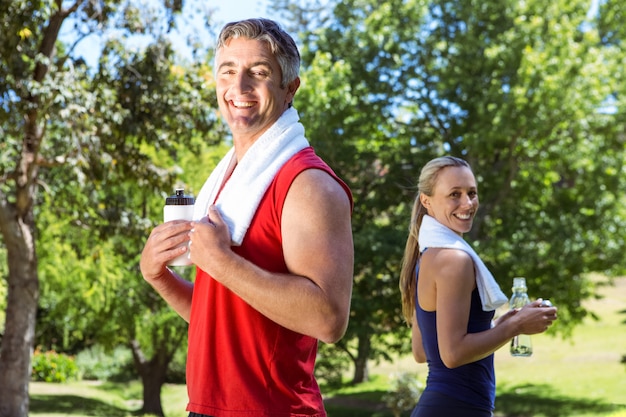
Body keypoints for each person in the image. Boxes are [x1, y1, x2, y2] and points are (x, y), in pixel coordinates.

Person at [140, 18, 354, 417]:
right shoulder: (228, 183)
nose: (239, 88)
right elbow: (223, 321)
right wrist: (160, 276)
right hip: (205, 408)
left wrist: (222, 261)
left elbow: (328, 321)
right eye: (228, 72)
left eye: (258, 73)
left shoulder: (308, 184)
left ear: (290, 89)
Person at [399, 156, 557, 417]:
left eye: (472, 193)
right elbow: (452, 354)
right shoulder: (454, 260)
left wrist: (499, 324)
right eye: (454, 194)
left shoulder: (426, 256)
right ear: (426, 201)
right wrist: (515, 326)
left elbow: (423, 350)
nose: (467, 203)